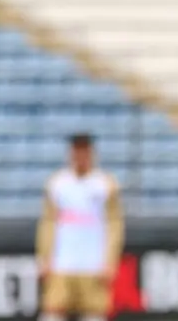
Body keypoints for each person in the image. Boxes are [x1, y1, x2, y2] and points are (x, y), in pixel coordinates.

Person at [36, 134, 125, 321]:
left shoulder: (105, 184)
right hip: (62, 262)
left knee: (94, 313)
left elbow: (115, 224)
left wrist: (110, 260)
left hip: (93, 263)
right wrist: (44, 257)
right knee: (53, 312)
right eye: (77, 151)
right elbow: (48, 222)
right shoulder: (57, 184)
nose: (80, 156)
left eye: (84, 151)